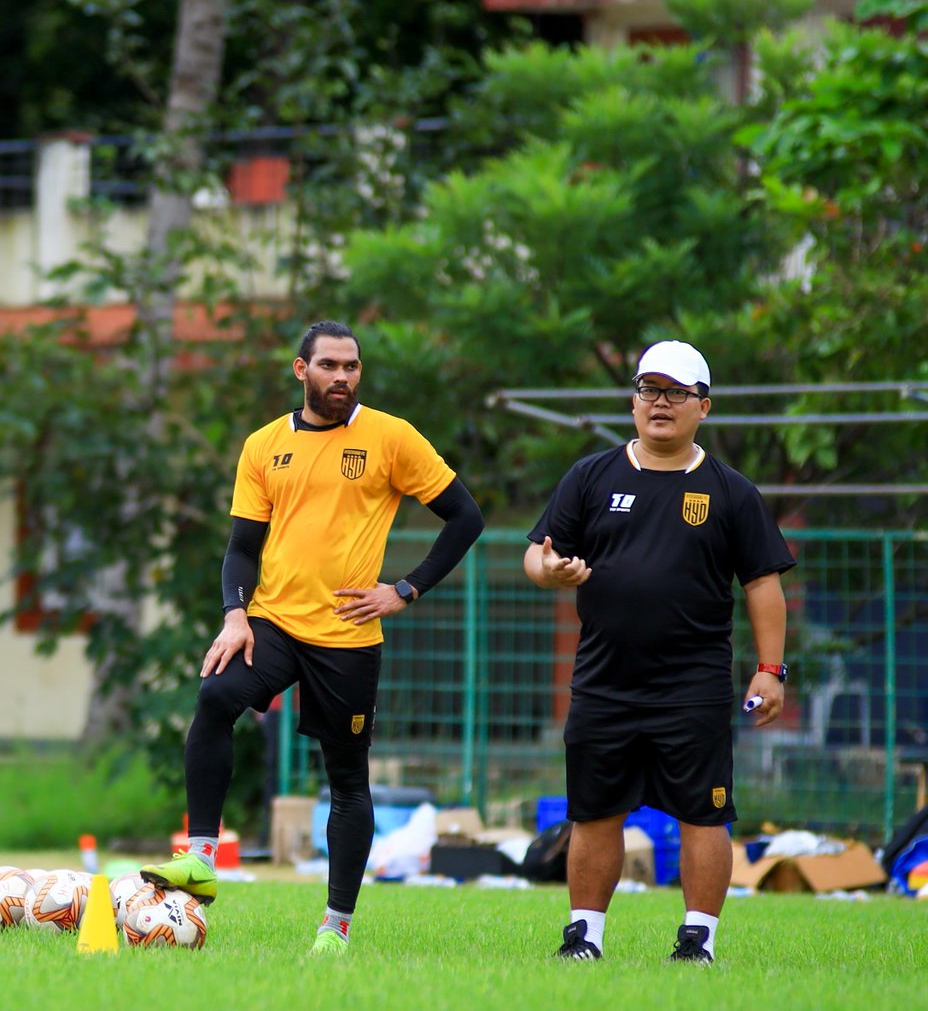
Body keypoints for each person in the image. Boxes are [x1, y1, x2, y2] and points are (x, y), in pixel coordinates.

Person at [142, 320, 484, 954]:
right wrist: (234, 613)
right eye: (329, 366)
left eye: (352, 367)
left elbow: (466, 517)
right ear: (302, 371)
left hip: (349, 634)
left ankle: (336, 926)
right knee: (216, 696)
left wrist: (405, 589)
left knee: (347, 778)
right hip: (272, 622)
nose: (343, 377)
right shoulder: (263, 445)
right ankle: (200, 858)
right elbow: (243, 546)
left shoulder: (391, 437)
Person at [523, 340, 795, 964]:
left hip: (692, 684)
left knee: (704, 815)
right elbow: (537, 552)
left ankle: (697, 939)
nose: (660, 403)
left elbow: (763, 585)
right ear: (633, 400)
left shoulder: (730, 491)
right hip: (602, 678)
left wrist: (771, 669)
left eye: (676, 393)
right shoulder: (590, 476)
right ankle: (584, 935)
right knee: (594, 812)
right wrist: (549, 569)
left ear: (703, 406)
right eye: (649, 390)